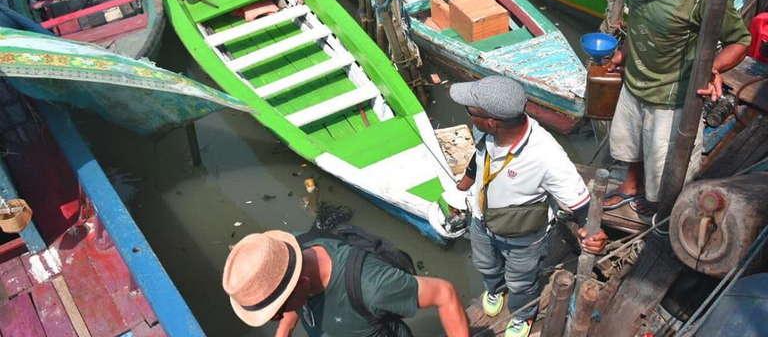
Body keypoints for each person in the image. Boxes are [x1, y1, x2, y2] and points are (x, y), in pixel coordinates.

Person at [604, 0, 752, 218]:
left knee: (664, 160)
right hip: (634, 81)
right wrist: (625, 51)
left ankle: (663, 205)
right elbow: (637, 18)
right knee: (628, 142)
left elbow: (740, 41)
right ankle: (631, 185)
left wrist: (715, 68)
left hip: (673, 94)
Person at [450, 75, 607, 337]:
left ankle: (523, 314)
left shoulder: (547, 156)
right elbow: (478, 159)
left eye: (470, 111)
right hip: (481, 220)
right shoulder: (484, 131)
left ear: (491, 121)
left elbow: (582, 207)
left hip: (524, 237)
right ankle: (495, 288)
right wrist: (465, 183)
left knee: (521, 282)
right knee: (485, 264)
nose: (468, 115)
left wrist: (593, 234)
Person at [222, 230, 470, 337]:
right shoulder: (290, 252)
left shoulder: (371, 286)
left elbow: (444, 293)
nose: (281, 315)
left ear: (302, 283)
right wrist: (283, 331)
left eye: (277, 314)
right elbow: (286, 298)